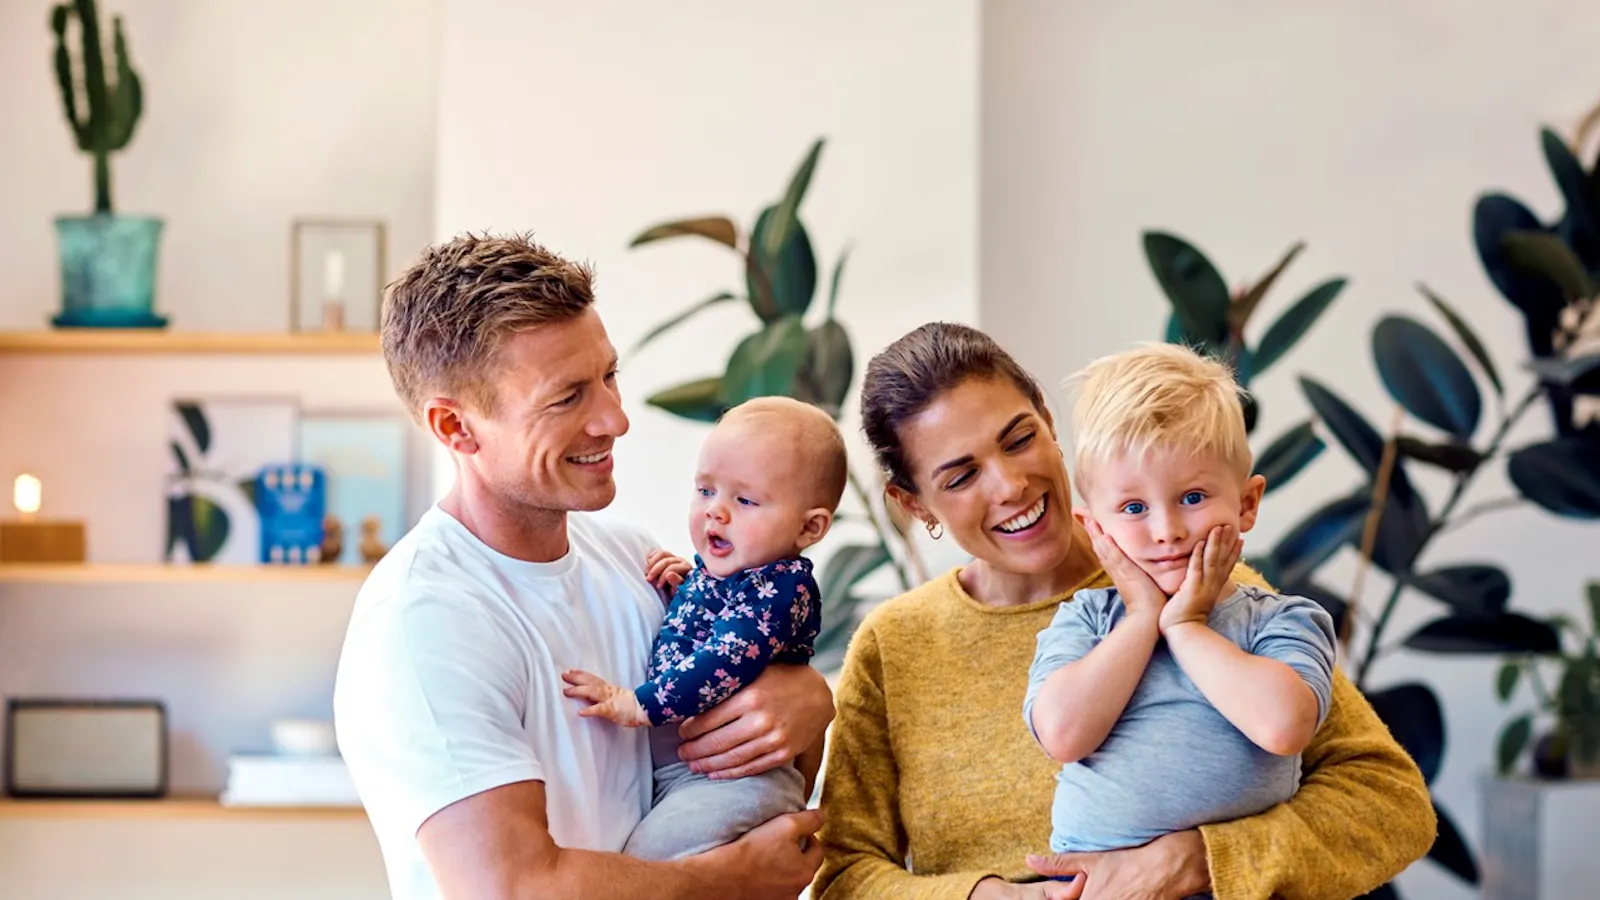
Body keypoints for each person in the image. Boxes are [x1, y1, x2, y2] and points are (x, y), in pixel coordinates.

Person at [812, 321, 1437, 900]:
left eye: (1020, 438)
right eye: (959, 476)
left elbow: (1390, 802)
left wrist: (1194, 861)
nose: (1009, 486)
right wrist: (985, 896)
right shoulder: (894, 648)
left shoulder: (1208, 592)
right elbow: (844, 874)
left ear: (1051, 424)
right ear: (915, 506)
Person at [331, 233, 835, 900]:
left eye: (608, 376)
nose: (616, 419)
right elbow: (513, 889)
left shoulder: (634, 559)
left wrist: (805, 705)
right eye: (567, 397)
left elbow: (750, 782)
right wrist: (735, 880)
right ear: (456, 429)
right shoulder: (423, 622)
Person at [1024, 343, 1337, 885]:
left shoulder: (1281, 621)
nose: (1167, 530)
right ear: (1092, 525)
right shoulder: (1088, 620)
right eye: (1134, 508)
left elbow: (1285, 726)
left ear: (1246, 504)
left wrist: (1186, 627)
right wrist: (1143, 618)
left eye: (1192, 496)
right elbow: (1062, 734)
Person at [561, 395, 849, 861]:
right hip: (692, 777)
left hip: (734, 783)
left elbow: (725, 660)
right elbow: (706, 626)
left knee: (644, 866)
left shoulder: (782, 591)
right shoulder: (726, 576)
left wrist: (634, 703)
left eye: (746, 499)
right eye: (705, 490)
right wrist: (687, 585)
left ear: (809, 528)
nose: (716, 511)